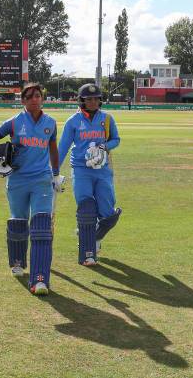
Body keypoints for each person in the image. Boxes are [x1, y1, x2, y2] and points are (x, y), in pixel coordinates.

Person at [0, 83, 65, 296]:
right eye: (29, 97)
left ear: (42, 99)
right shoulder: (15, 122)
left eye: (37, 96)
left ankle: (39, 280)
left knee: (41, 227)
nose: (34, 100)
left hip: (41, 180)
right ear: (23, 101)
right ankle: (17, 261)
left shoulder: (50, 123)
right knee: (18, 221)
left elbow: (53, 150)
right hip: (17, 180)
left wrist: (56, 174)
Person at [58, 83, 122, 266]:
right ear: (82, 101)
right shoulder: (73, 122)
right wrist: (53, 172)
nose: (93, 102)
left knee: (108, 212)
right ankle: (88, 251)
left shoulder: (107, 119)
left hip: (103, 170)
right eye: (89, 99)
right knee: (86, 208)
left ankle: (93, 236)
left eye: (96, 98)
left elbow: (116, 139)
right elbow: (62, 148)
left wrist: (105, 146)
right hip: (81, 169)